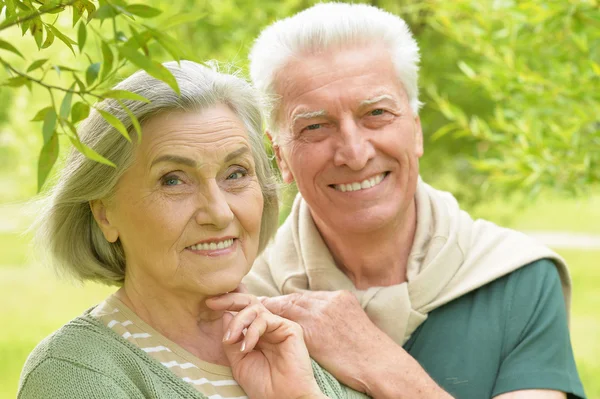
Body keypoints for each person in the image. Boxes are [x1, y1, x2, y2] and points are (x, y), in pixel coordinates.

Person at [242, 3, 586, 399]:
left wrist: (373, 359)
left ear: (416, 130)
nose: (354, 154)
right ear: (280, 156)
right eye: (316, 126)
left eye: (376, 113)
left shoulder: (515, 279)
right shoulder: (246, 300)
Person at [18, 61, 367, 399]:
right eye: (173, 180)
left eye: (235, 173)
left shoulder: (305, 340)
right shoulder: (73, 374)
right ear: (105, 214)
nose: (218, 212)